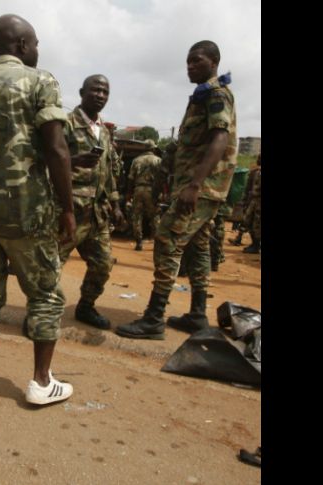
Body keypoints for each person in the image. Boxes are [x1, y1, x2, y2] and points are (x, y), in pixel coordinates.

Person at [0, 14, 77, 409]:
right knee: (44, 295)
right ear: (21, 46)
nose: (38, 51)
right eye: (35, 44)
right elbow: (56, 149)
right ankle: (41, 381)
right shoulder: (42, 83)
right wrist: (68, 209)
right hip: (30, 214)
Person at [116, 40, 237, 339]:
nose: (189, 66)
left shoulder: (217, 94)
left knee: (167, 238)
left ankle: (154, 318)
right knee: (197, 249)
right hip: (201, 187)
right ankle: (197, 315)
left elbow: (220, 138)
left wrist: (195, 184)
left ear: (214, 62)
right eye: (187, 61)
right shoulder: (202, 96)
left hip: (203, 187)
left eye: (196, 60)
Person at [58, 75, 126, 330]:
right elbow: (47, 161)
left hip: (97, 213)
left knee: (102, 263)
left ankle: (86, 306)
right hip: (69, 211)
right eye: (95, 90)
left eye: (105, 92)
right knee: (52, 265)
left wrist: (116, 204)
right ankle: (41, 314)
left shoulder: (105, 132)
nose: (100, 95)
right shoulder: (65, 124)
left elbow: (108, 171)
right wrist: (74, 161)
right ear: (81, 92)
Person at [127, 139, 163, 251]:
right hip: (152, 190)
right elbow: (162, 179)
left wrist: (129, 193)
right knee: (155, 216)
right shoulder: (158, 161)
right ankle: (157, 243)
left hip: (138, 189)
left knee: (137, 216)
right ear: (153, 148)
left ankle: (138, 242)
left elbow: (130, 179)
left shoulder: (136, 160)